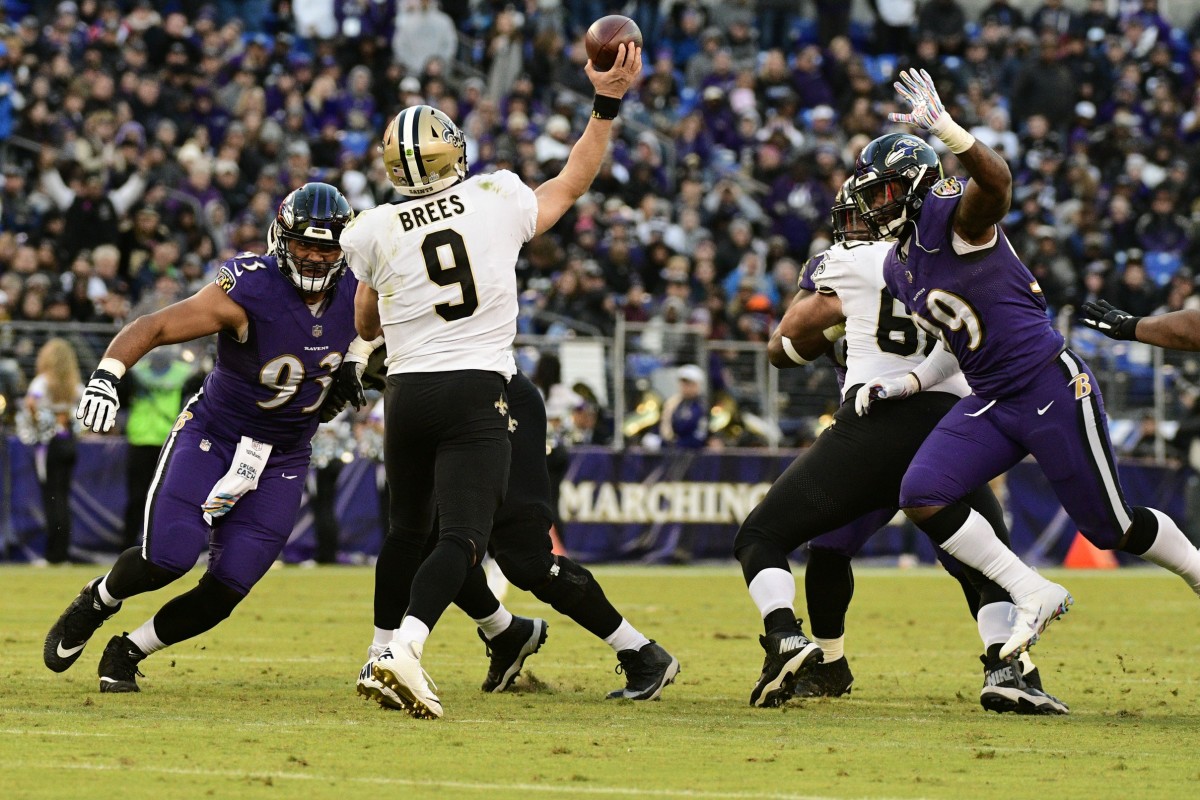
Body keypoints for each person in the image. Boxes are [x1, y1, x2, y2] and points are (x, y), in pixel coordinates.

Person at [339, 42, 644, 720]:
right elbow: (572, 182)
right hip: (476, 386)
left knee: (406, 531)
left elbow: (367, 316)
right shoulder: (494, 195)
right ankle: (403, 652)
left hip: (408, 396)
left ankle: (384, 645)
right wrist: (606, 105)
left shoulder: (373, 228)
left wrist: (380, 331)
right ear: (453, 152)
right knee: (463, 540)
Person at [855, 70, 1200, 658]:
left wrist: (949, 131)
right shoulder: (897, 265)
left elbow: (997, 183)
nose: (872, 204)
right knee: (922, 491)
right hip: (991, 399)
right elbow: (956, 340)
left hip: (1048, 385)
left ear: (914, 187)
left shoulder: (953, 218)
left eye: (884, 191)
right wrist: (909, 380)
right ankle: (1032, 589)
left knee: (1110, 528)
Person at [737, 178, 1065, 714]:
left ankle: (794, 642)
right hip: (953, 426)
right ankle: (1007, 667)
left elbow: (783, 347)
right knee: (984, 562)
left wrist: (836, 325)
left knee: (769, 536)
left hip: (872, 426)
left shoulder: (850, 260)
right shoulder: (964, 251)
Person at [42, 183, 359, 693]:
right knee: (168, 555)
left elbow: (392, 332)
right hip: (216, 434)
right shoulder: (252, 287)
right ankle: (98, 599)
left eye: (327, 247)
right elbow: (157, 326)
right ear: (283, 239)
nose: (316, 257)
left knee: (230, 584)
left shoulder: (360, 288)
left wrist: (361, 365)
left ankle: (130, 649)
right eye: (306, 244)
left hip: (283, 456)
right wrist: (107, 375)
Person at [354, 367, 678, 708]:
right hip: (426, 400)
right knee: (423, 536)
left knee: (524, 559)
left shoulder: (353, 318)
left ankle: (641, 650)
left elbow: (363, 328)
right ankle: (504, 633)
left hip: (491, 400)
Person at [121, 346, 199, 549]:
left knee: (158, 499)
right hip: (152, 439)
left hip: (162, 440)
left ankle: (152, 546)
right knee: (143, 498)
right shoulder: (181, 372)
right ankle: (132, 546)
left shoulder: (141, 372)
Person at [23, 338, 84, 565]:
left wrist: (40, 419)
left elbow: (31, 402)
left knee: (52, 499)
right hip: (69, 442)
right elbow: (87, 403)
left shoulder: (42, 382)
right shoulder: (73, 383)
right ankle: (63, 553)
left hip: (50, 445)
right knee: (63, 498)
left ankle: (53, 556)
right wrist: (70, 419)